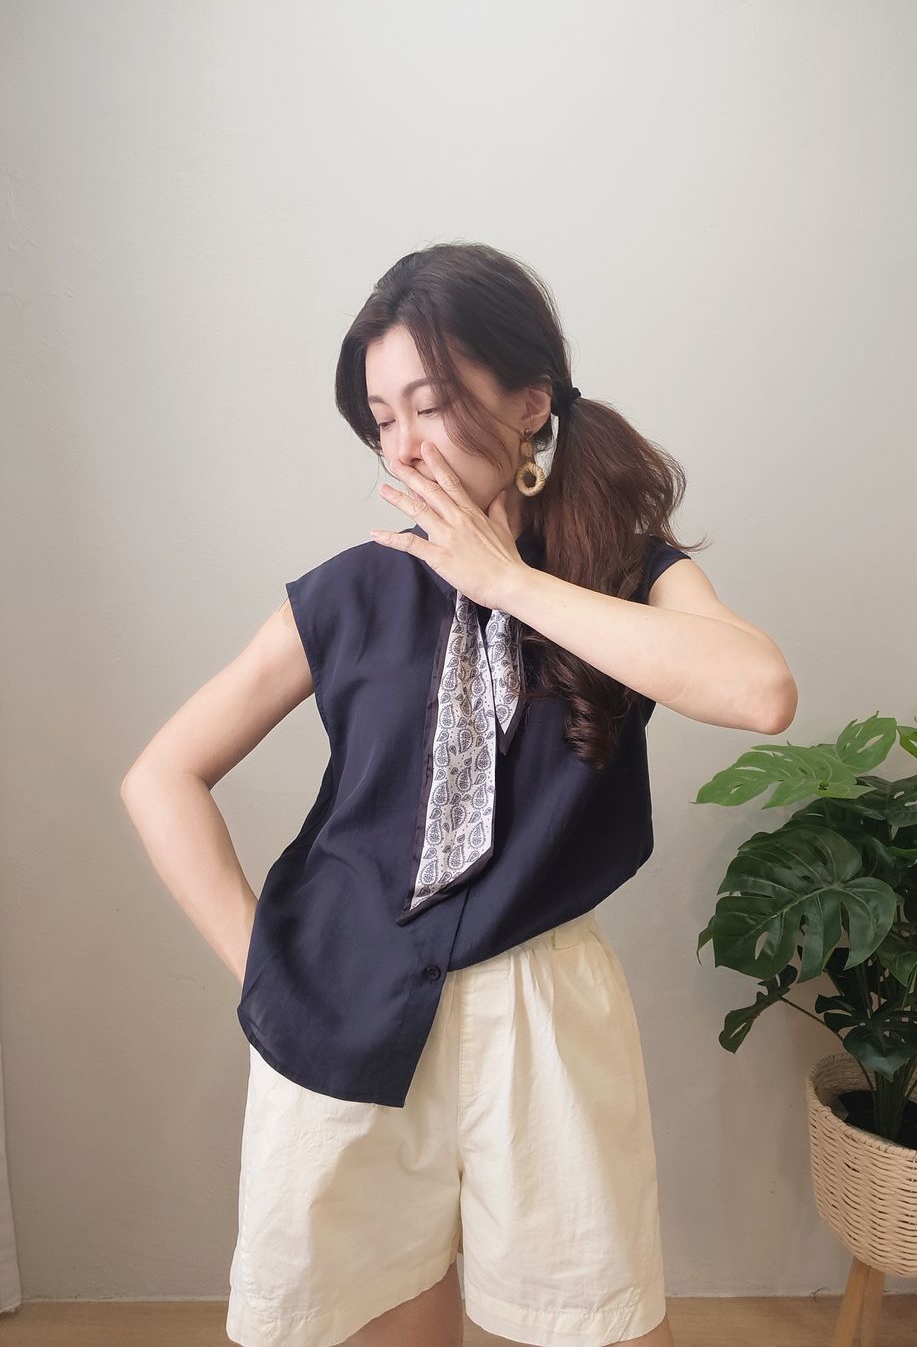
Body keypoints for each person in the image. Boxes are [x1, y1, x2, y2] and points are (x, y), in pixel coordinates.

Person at [121, 241, 797, 1347]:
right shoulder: (353, 587)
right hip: (341, 1007)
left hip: (544, 1008)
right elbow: (161, 776)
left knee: (599, 1324)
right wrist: (267, 973)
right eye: (382, 418)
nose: (403, 444)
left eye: (429, 404)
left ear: (531, 403)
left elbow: (759, 690)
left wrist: (508, 583)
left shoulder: (628, 572)